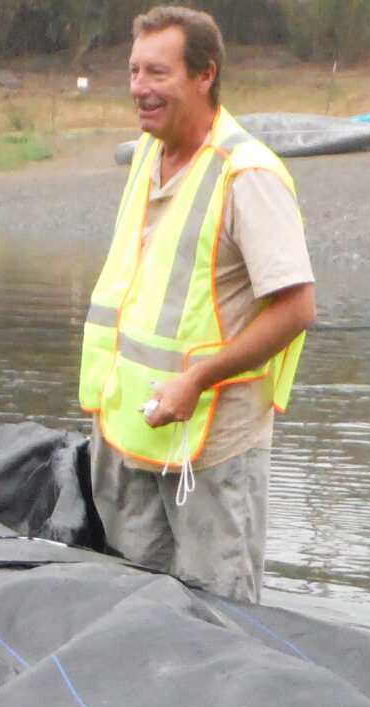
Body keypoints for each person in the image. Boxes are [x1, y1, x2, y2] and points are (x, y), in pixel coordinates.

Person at [79, 6, 315, 604]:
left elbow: (295, 309)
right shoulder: (143, 156)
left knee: (221, 622)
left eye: (157, 73)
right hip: (131, 431)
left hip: (212, 445)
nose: (139, 88)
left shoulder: (248, 174)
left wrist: (199, 378)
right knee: (133, 611)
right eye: (134, 71)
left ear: (204, 75)